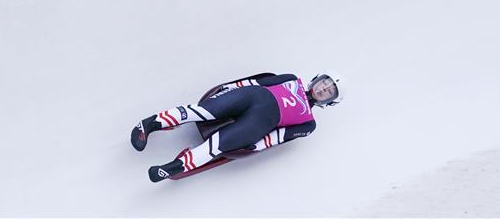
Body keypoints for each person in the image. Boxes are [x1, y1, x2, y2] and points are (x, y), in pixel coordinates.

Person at [131, 72, 342, 182]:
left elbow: (282, 136)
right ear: (318, 79)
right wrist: (229, 88)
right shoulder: (291, 79)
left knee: (219, 146)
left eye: (330, 91)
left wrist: (259, 146)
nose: (324, 88)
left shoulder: (309, 123)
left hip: (261, 123)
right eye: (326, 82)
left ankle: (171, 168)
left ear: (329, 101)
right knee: (203, 111)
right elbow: (259, 82)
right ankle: (149, 124)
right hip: (250, 96)